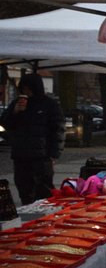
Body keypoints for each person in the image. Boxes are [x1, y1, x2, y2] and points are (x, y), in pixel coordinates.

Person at [0, 73, 64, 204]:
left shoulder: (49, 105)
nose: (26, 92)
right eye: (23, 89)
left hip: (42, 155)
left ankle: (45, 217)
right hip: (21, 154)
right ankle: (27, 213)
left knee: (44, 190)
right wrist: (15, 112)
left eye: (29, 88)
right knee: (24, 188)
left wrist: (53, 154)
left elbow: (58, 130)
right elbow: (6, 124)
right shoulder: (16, 103)